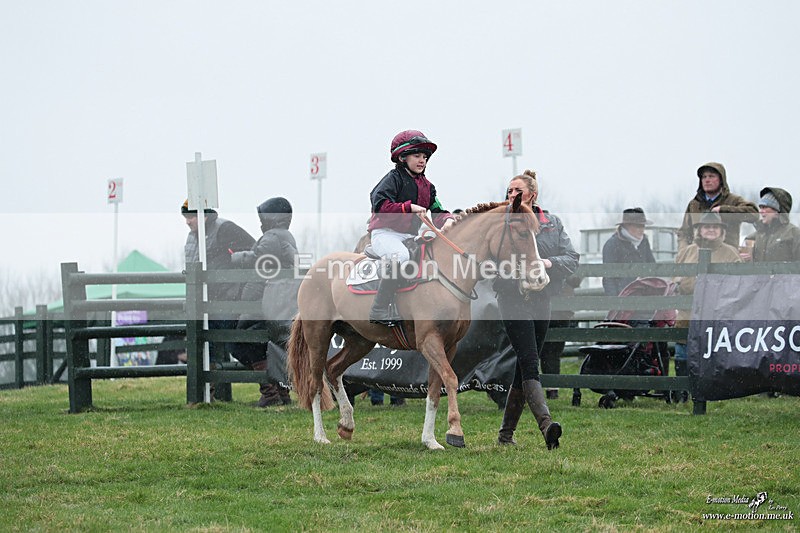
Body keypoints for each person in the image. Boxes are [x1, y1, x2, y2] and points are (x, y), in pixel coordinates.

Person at [495, 170, 579, 449]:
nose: (511, 195)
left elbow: (571, 258)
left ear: (532, 194)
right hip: (512, 298)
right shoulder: (501, 221)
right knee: (530, 362)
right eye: (508, 191)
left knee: (524, 366)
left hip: (542, 299)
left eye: (517, 190)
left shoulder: (551, 223)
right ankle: (546, 425)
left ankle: (505, 436)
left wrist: (547, 263)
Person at [367, 129, 455, 325]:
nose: (422, 160)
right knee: (402, 257)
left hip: (408, 237)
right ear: (402, 157)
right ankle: (379, 309)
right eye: (417, 155)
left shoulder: (428, 186)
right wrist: (409, 207)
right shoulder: (393, 179)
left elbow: (438, 209)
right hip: (385, 234)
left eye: (425, 157)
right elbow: (379, 205)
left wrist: (448, 220)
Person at [182, 200, 255, 400]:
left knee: (235, 344)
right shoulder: (192, 238)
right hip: (205, 301)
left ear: (204, 215)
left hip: (227, 300)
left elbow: (254, 251)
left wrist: (233, 279)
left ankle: (273, 386)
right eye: (185, 217)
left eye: (191, 216)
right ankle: (211, 394)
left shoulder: (225, 229)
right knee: (209, 347)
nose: (187, 222)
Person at [229, 197, 297, 407]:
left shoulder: (272, 237)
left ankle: (270, 393)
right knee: (271, 346)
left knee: (242, 343)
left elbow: (259, 257)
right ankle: (280, 390)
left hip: (263, 299)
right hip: (274, 299)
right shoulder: (283, 236)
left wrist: (236, 258)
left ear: (271, 218)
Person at [672, 212, 742, 400]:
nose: (711, 230)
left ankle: (712, 390)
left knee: (713, 352)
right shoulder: (688, 251)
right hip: (687, 311)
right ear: (699, 230)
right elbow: (676, 279)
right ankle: (682, 391)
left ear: (721, 231)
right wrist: (685, 284)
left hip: (716, 314)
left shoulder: (730, 253)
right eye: (706, 227)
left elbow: (738, 284)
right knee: (683, 350)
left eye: (715, 227)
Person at [676, 162, 758, 253]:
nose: (707, 180)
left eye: (711, 176)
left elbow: (753, 213)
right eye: (704, 177)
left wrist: (723, 211)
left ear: (721, 179)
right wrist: (683, 253)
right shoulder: (694, 204)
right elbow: (684, 233)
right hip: (698, 259)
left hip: (726, 259)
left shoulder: (733, 201)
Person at [539, 273, 582, 400]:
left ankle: (551, 388)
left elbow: (575, 279)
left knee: (553, 350)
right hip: (542, 305)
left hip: (560, 308)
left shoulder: (565, 257)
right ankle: (539, 388)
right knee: (542, 350)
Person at [602, 207, 657, 297]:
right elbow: (609, 279)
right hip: (624, 297)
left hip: (645, 295)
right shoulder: (612, 245)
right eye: (638, 226)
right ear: (627, 226)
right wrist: (615, 303)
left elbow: (652, 267)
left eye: (643, 226)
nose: (642, 229)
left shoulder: (644, 242)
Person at [740, 187, 800, 263]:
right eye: (760, 208)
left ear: (777, 211)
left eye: (765, 207)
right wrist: (745, 261)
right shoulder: (753, 238)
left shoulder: (794, 234)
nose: (761, 211)